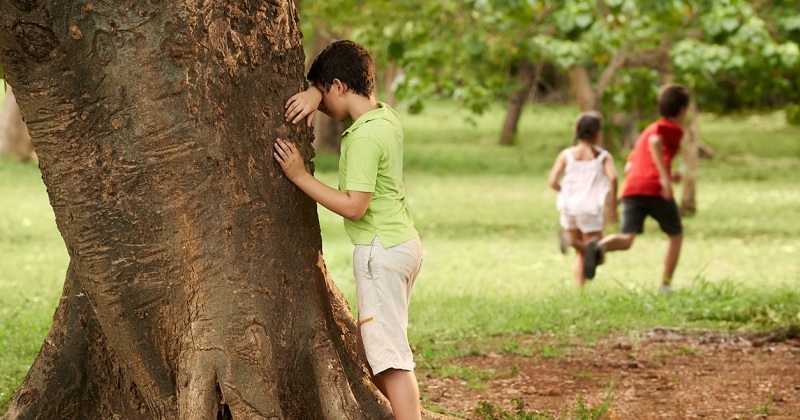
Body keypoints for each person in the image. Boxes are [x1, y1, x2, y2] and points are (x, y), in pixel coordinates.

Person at [273, 40, 423, 420]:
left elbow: (355, 207)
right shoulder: (384, 117)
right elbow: (338, 94)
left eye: (323, 96)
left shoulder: (362, 138)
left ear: (338, 85)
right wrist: (313, 90)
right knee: (371, 347)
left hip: (379, 252)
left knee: (390, 359)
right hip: (402, 244)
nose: (321, 108)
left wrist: (298, 176)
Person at [583, 84, 691, 295]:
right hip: (654, 188)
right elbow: (655, 143)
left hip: (632, 188)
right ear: (682, 110)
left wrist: (668, 174)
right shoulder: (671, 129)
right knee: (676, 235)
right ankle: (665, 286)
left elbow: (630, 165)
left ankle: (600, 247)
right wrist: (664, 180)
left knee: (627, 239)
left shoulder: (647, 130)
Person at [548, 111, 618, 287]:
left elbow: (552, 181)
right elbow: (614, 178)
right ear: (597, 133)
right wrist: (613, 205)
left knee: (581, 253)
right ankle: (571, 242)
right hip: (590, 209)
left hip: (569, 207)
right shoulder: (603, 157)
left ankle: (580, 290)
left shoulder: (567, 155)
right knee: (598, 256)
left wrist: (564, 192)